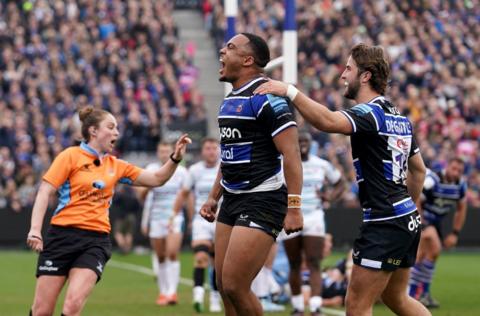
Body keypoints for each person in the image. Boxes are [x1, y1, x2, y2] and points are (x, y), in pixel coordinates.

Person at [254, 43, 431, 316]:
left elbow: (327, 121)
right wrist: (406, 207)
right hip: (406, 219)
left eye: (349, 68)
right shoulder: (399, 118)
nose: (342, 75)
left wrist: (289, 91)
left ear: (366, 76)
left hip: (384, 221)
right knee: (397, 299)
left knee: (357, 306)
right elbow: (418, 170)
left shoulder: (370, 112)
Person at [26, 106, 191, 316]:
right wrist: (34, 230)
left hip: (95, 241)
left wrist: (175, 158)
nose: (117, 133)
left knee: (72, 306)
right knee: (42, 311)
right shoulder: (70, 156)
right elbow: (45, 191)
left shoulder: (117, 165)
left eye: (117, 128)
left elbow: (157, 179)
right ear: (94, 131)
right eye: (111, 127)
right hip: (61, 237)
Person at [200, 32, 303, 316]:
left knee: (235, 285)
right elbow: (229, 157)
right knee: (223, 285)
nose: (222, 51)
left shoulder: (267, 98)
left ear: (248, 60)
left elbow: (292, 155)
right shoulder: (230, 100)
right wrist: (213, 196)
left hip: (263, 199)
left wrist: (294, 207)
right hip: (232, 200)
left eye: (230, 48)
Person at [281, 131, 344, 316]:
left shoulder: (321, 164)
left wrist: (330, 197)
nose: (302, 143)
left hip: (314, 216)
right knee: (294, 263)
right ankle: (298, 307)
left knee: (314, 261)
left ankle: (316, 307)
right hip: (291, 215)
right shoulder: (283, 163)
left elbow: (340, 182)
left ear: (311, 143)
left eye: (305, 140)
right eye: (298, 140)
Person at [409, 157, 467, 308]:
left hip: (436, 222)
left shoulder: (460, 186)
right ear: (447, 166)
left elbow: (461, 208)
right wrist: (420, 223)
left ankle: (419, 293)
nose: (456, 173)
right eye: (454, 168)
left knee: (428, 255)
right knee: (432, 249)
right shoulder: (432, 180)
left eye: (459, 171)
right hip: (422, 219)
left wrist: (455, 233)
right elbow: (416, 200)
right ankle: (413, 293)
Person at [172, 137, 222, 313]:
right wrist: (174, 215)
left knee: (218, 263)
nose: (211, 151)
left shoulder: (225, 169)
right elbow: (183, 194)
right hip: (201, 221)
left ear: (219, 150)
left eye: (214, 148)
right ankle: (198, 297)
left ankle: (215, 298)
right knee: (200, 257)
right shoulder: (194, 170)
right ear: (202, 151)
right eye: (208, 148)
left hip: (221, 221)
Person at [140, 141, 189, 306]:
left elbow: (186, 195)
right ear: (157, 152)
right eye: (161, 151)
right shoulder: (151, 169)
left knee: (172, 253)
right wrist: (149, 185)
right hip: (156, 218)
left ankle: (172, 293)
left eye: (167, 151)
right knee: (160, 257)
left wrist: (191, 217)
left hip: (175, 218)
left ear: (172, 151)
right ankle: (163, 292)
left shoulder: (182, 172)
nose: (164, 154)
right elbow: (142, 197)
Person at [112, 185, 141, 254]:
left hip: (121, 217)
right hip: (131, 217)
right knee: (129, 234)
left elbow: (115, 201)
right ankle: (127, 249)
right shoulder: (134, 197)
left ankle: (123, 249)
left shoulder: (121, 196)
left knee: (117, 233)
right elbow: (138, 207)